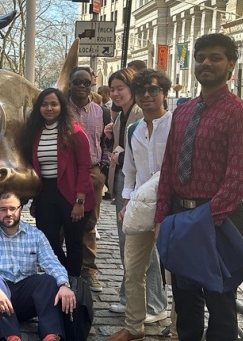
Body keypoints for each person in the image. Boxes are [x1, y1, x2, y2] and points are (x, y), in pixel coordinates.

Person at [154, 33, 243, 341]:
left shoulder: (240, 114)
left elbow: (238, 179)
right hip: (180, 215)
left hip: (219, 221)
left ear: (231, 65)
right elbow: (168, 170)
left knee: (220, 302)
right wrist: (162, 218)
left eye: (215, 57)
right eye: (200, 58)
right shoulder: (183, 112)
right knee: (185, 301)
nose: (206, 63)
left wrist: (201, 221)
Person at [107, 69, 171, 341]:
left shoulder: (176, 124)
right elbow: (130, 171)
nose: (147, 95)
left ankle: (179, 329)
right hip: (142, 205)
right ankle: (134, 326)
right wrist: (126, 202)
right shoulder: (134, 129)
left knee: (175, 273)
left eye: (153, 90)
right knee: (133, 268)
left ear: (164, 93)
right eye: (142, 90)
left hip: (172, 207)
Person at [0, 192, 76, 341]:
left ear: (20, 209)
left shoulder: (35, 235)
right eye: (3, 209)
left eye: (13, 208)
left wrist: (64, 284)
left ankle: (51, 336)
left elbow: (51, 262)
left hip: (24, 299)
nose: (8, 213)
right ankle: (10, 337)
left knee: (47, 281)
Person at [20, 87, 94, 278]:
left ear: (61, 106)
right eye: (44, 104)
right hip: (46, 192)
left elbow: (84, 166)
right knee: (48, 242)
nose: (49, 108)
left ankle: (74, 284)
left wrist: (80, 201)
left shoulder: (75, 133)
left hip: (72, 193)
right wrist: (35, 199)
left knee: (74, 243)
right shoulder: (34, 133)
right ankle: (62, 277)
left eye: (54, 104)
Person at [104, 68, 143, 313]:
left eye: (120, 88)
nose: (116, 93)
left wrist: (119, 152)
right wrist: (110, 140)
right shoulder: (121, 116)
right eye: (113, 89)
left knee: (136, 244)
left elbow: (140, 152)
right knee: (126, 242)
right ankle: (129, 297)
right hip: (124, 181)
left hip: (135, 183)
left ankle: (145, 301)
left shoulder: (138, 114)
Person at [65, 68, 107, 290]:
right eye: (77, 82)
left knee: (89, 222)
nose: (82, 86)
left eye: (86, 82)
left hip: (92, 171)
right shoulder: (61, 110)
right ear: (70, 84)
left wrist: (103, 170)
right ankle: (62, 267)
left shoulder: (101, 111)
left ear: (92, 84)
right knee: (64, 219)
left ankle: (88, 270)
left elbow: (105, 140)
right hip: (66, 172)